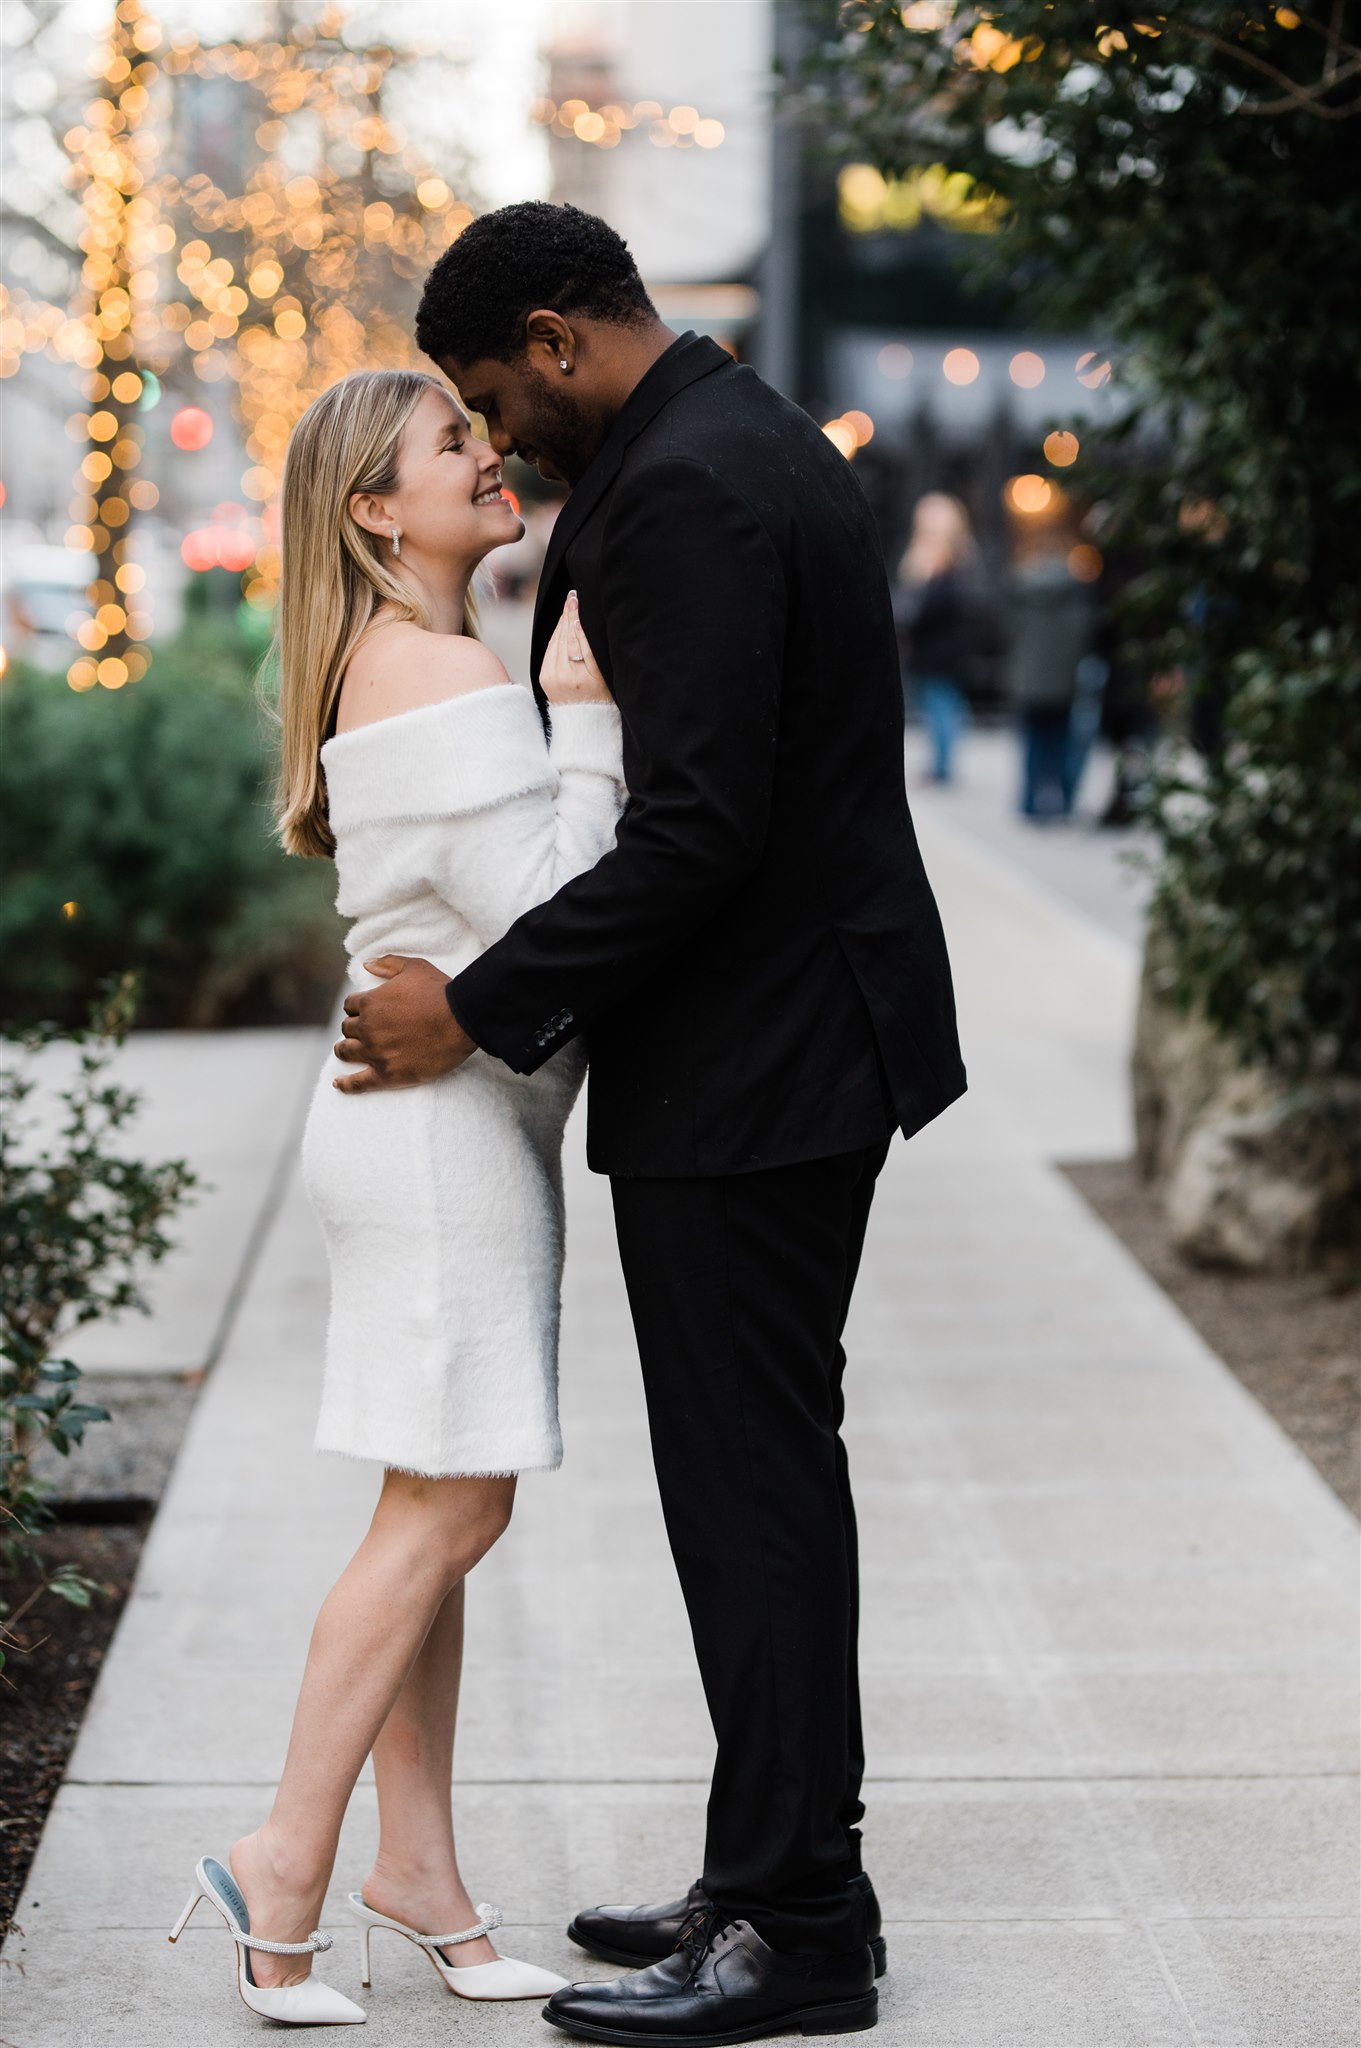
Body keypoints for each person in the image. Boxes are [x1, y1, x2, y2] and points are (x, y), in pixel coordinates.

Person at [335, 201, 967, 2046]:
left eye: (484, 397)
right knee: (753, 1485)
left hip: (759, 1068)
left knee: (753, 1494)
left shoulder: (693, 482)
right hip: (779, 1051)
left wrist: (477, 1001)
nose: (500, 436)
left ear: (550, 336)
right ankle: (761, 1865)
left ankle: (801, 1925)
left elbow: (698, 831)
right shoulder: (731, 435)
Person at [167, 367, 628, 2026]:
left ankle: (414, 1867)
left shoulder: (399, 661)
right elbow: (556, 912)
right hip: (434, 1136)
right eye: (451, 445)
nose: (487, 455)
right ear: (376, 508)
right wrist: (585, 720)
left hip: (431, 1123)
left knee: (434, 1507)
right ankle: (287, 1858)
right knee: (450, 1510)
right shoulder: (440, 667)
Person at [1005, 534, 1098, 819]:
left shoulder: (1024, 596)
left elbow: (1010, 632)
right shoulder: (1076, 600)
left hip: (1029, 684)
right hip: (1064, 685)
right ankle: (1063, 802)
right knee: (1061, 745)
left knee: (1032, 745)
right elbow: (1086, 638)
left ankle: (1030, 804)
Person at [892, 491, 979, 784]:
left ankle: (942, 766)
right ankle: (941, 763)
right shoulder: (956, 562)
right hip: (937, 649)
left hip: (938, 650)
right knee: (939, 704)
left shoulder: (946, 568)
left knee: (941, 705)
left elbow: (924, 608)